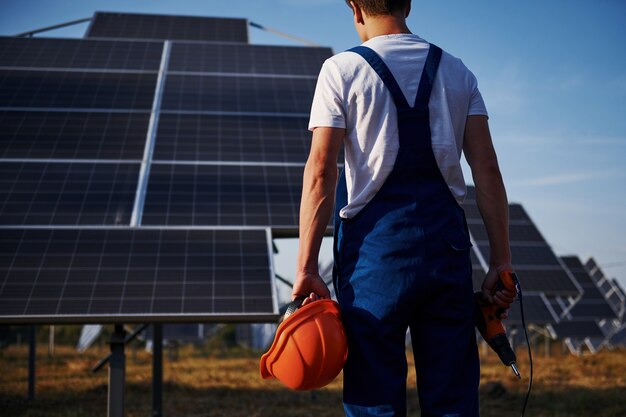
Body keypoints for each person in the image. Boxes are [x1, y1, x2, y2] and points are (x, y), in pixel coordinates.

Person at [292, 1, 515, 415]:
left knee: (374, 398)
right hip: (446, 255)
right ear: (408, 4)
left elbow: (321, 172)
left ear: (355, 8)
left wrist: (306, 267)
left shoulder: (341, 70)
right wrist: (501, 260)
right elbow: (487, 171)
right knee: (452, 399)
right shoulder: (458, 72)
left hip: (375, 260)